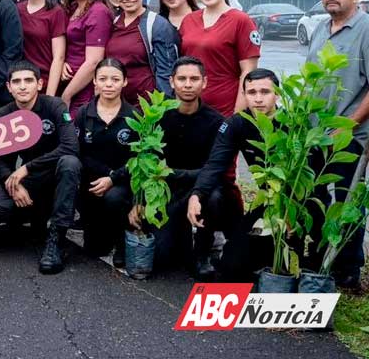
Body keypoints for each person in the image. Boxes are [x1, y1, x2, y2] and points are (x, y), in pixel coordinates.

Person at [0, 61, 80, 274]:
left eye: (28, 80)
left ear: (39, 84)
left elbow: (70, 146)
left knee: (70, 163)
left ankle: (56, 241)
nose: (22, 86)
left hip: (54, 176)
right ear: (9, 87)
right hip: (26, 180)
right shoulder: (3, 113)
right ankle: (33, 217)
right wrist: (12, 183)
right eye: (16, 82)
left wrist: (27, 167)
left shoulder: (55, 106)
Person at [305, 0, 369, 288]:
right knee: (314, 199)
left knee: (347, 204)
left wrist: (347, 126)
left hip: (349, 136)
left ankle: (347, 270)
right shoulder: (320, 29)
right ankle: (319, 262)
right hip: (315, 135)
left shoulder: (366, 30)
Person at [188, 69, 281, 281]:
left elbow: (314, 179)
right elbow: (215, 165)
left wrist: (293, 213)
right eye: (252, 92)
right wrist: (197, 194)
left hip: (294, 202)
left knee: (290, 266)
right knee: (230, 268)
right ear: (245, 95)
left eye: (265, 92)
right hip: (266, 201)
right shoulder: (237, 123)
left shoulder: (293, 124)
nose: (258, 99)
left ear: (277, 94)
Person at [149, 56, 226, 278]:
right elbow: (150, 163)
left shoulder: (216, 122)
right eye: (182, 79)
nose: (188, 84)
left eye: (194, 79)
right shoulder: (157, 116)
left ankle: (203, 252)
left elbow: (215, 168)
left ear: (205, 82)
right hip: (166, 188)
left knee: (215, 197)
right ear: (172, 82)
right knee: (162, 257)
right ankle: (179, 236)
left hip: (202, 189)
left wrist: (195, 189)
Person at [75, 59, 136, 264]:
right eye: (103, 79)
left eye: (115, 79)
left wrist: (113, 177)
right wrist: (100, 175)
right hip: (91, 182)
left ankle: (121, 241)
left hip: (121, 182)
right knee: (94, 249)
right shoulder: (84, 113)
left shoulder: (135, 115)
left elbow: (139, 158)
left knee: (114, 199)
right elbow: (78, 152)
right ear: (94, 81)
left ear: (125, 82)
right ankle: (98, 231)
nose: (109, 84)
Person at [178, 0, 260, 117]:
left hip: (225, 110)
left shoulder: (241, 20)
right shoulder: (189, 20)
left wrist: (237, 116)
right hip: (192, 109)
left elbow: (248, 72)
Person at [106, 0, 179, 104]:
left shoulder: (157, 24)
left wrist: (161, 108)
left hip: (147, 106)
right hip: (116, 103)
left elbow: (166, 72)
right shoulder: (114, 22)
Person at [60, 0, 113, 112]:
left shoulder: (98, 12)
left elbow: (93, 61)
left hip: (84, 87)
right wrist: (63, 62)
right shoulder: (73, 8)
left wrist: (67, 94)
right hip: (69, 80)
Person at [18, 0, 68, 97]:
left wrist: (49, 97)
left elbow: (59, 57)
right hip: (20, 84)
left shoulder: (56, 12)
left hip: (45, 82)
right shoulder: (16, 9)